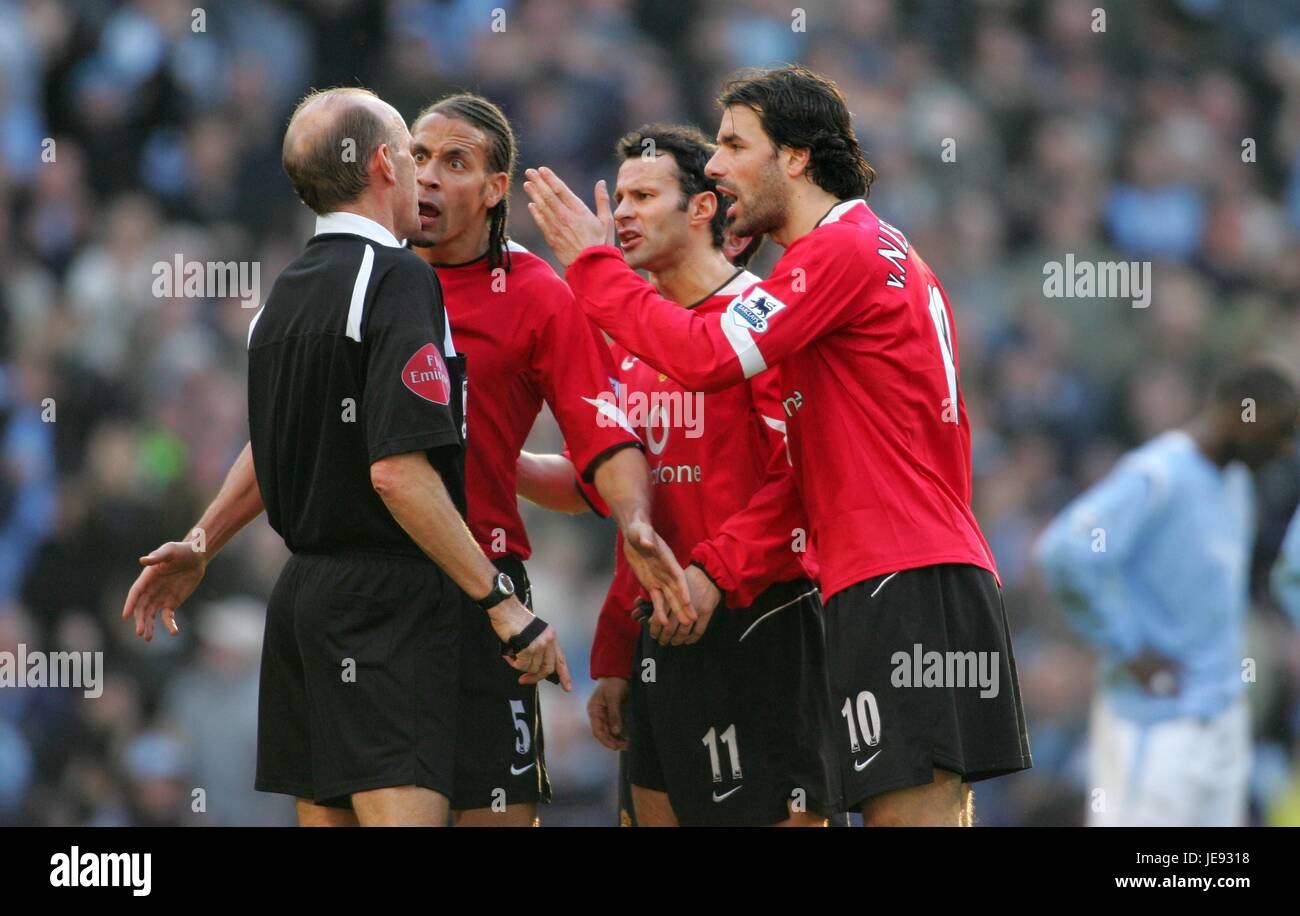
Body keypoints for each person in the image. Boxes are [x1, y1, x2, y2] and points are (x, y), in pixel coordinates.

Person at [523, 65, 1032, 826]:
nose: (718, 165)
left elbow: (704, 356)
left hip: (900, 577)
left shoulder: (841, 250)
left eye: (734, 144)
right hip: (898, 572)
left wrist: (590, 266)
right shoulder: (867, 250)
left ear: (794, 157)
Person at [123, 87, 571, 827]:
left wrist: (202, 542)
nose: (421, 173)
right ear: (382, 166)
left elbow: (278, 449)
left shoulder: (281, 299)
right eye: (410, 150)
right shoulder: (397, 278)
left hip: (303, 605)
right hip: (388, 603)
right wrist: (502, 604)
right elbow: (397, 471)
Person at [517, 124, 835, 826]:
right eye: (618, 196)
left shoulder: (762, 320)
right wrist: (617, 655)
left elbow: (804, 481)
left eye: (643, 194)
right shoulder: (629, 336)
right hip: (662, 626)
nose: (622, 211)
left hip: (762, 620)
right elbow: (606, 486)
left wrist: (716, 573)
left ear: (701, 210)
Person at [403, 93, 687, 825]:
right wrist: (208, 537)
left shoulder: (536, 294)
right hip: (375, 587)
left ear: (497, 188)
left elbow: (605, 432)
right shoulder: (367, 281)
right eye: (417, 157)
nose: (428, 177)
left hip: (488, 598)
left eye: (454, 162)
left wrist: (634, 521)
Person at [1035, 363, 1299, 826]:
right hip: (1154, 724)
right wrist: (1126, 643)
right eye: (1278, 433)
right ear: (1240, 415)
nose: (1284, 450)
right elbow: (1065, 551)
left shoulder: (1236, 480)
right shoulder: (1159, 475)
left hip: (1220, 722)